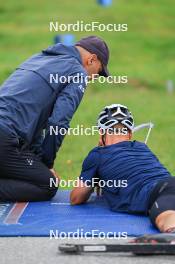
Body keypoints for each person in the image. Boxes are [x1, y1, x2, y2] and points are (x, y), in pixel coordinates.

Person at [0, 36, 110, 202]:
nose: (94, 77)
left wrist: (38, 161)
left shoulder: (39, 58)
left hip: (7, 134)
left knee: (30, 173)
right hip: (5, 138)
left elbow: (36, 121)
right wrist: (47, 165)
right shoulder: (77, 72)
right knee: (48, 184)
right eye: (99, 72)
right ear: (91, 59)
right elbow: (58, 123)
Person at [70, 104, 175, 233]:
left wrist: (94, 180)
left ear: (101, 132)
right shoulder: (143, 147)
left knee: (164, 218)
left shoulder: (97, 155)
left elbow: (76, 198)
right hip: (168, 183)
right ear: (130, 134)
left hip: (158, 192)